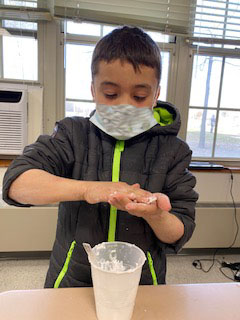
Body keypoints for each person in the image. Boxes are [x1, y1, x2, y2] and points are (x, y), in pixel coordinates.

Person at [2, 26, 198, 288]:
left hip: (140, 286)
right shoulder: (73, 134)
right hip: (71, 282)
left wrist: (156, 215)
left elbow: (180, 231)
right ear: (93, 90)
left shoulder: (173, 151)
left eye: (139, 96)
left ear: (156, 95)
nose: (124, 106)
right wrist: (88, 190)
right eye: (111, 94)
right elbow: (16, 184)